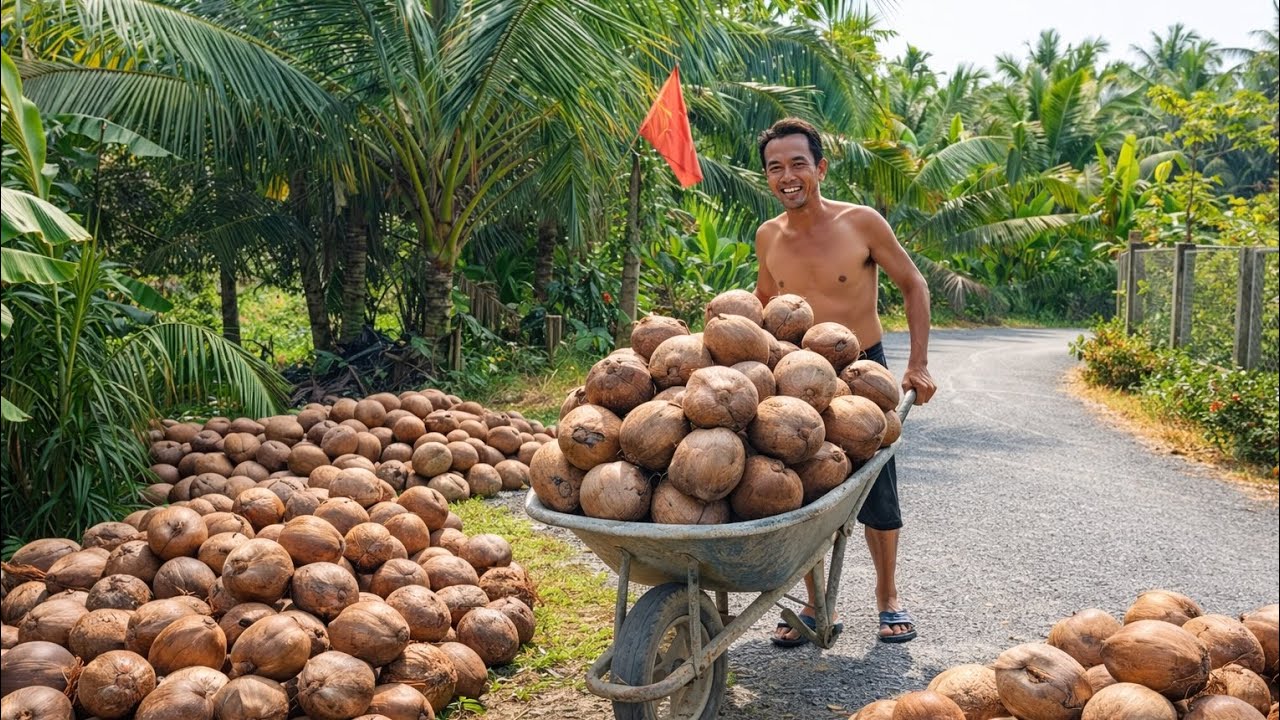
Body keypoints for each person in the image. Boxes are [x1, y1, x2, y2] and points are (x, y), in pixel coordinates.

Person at [753, 117, 937, 647]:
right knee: (803, 485)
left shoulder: (862, 223)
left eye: (797, 164)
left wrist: (918, 364)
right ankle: (815, 606)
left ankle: (888, 598)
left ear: (820, 168)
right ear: (767, 176)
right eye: (775, 167)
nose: (787, 176)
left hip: (863, 369)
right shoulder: (769, 235)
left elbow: (914, 284)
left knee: (878, 486)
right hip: (798, 372)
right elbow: (766, 308)